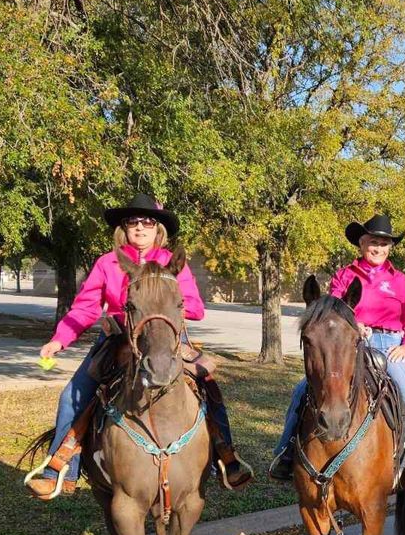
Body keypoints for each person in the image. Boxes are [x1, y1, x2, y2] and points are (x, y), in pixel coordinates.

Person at [25, 193, 252, 499]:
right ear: (124, 227)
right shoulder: (108, 263)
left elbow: (196, 308)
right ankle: (60, 467)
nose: (141, 227)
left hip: (167, 338)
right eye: (134, 221)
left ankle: (226, 457)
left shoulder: (171, 263)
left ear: (158, 228)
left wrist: (172, 302)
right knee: (72, 394)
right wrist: (59, 339)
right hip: (120, 340)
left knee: (209, 387)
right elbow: (85, 308)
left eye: (148, 222)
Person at [267, 214, 405, 489]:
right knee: (303, 389)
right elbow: (333, 311)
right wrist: (353, 324)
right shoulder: (345, 275)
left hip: (391, 345)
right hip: (350, 345)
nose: (379, 248)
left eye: (385, 244)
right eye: (374, 242)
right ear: (362, 244)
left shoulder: (400, 281)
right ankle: (286, 451)